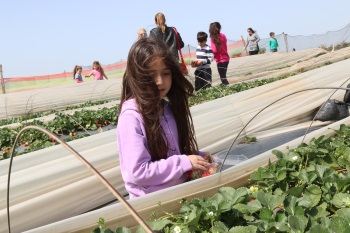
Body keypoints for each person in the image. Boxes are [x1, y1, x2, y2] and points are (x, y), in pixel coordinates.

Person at [117, 37, 211, 199]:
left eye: (166, 73)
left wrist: (197, 156)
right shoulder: (131, 118)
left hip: (179, 194)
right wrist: (184, 162)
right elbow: (139, 172)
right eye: (151, 75)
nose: (160, 82)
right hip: (152, 203)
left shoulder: (167, 109)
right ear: (137, 76)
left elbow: (173, 153)